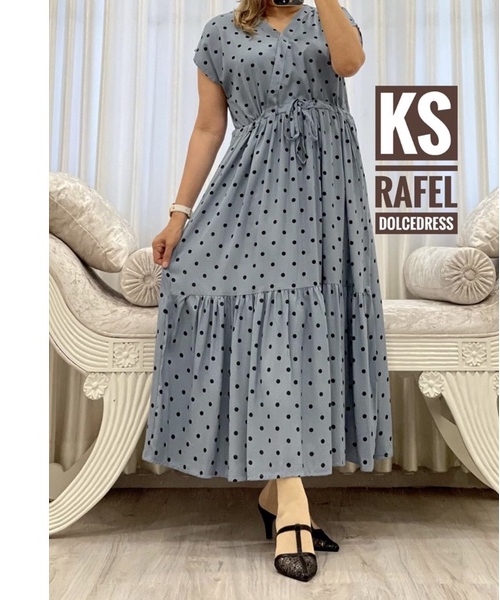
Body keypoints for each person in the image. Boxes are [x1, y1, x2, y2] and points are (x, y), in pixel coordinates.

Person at [143, 0, 393, 583]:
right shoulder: (220, 34)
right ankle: (294, 508)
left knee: (306, 330)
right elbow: (209, 127)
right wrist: (179, 215)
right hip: (255, 195)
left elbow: (350, 63)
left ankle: (275, 495)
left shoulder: (330, 17)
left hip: (330, 196)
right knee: (279, 330)